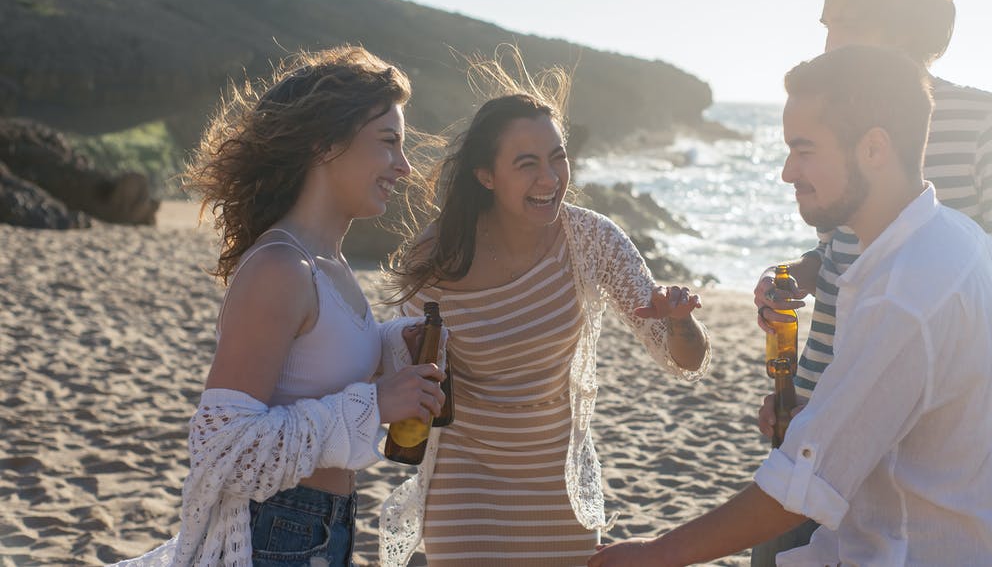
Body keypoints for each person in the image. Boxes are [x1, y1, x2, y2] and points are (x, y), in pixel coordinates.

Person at [589, 45, 992, 566]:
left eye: (805, 149)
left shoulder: (906, 292)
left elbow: (801, 487)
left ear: (874, 149)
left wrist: (653, 554)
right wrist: (822, 414)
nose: (787, 172)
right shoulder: (966, 243)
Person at [751, 0, 992, 561]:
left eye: (847, 27)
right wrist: (796, 275)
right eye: (826, 26)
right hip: (815, 417)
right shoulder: (835, 115)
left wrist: (969, 448)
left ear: (902, 23)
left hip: (916, 447)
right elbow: (843, 253)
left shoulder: (984, 122)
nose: (829, 45)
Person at [378, 47, 712, 566]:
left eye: (557, 157)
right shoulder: (439, 255)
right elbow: (404, 367)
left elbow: (682, 359)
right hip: (466, 481)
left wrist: (680, 321)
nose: (550, 178)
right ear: (487, 176)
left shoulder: (590, 239)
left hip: (557, 481)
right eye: (527, 163)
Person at [114, 46, 445, 566]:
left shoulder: (329, 265)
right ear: (324, 145)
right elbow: (224, 448)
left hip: (321, 530)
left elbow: (315, 366)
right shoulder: (279, 268)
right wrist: (376, 405)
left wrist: (388, 346)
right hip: (275, 534)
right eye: (388, 143)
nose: (403, 167)